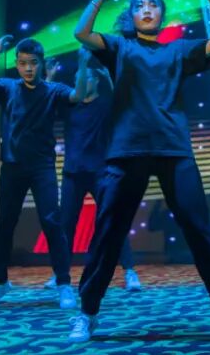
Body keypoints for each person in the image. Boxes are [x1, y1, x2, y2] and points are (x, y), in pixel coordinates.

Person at [69, 0, 210, 344]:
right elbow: (81, 33)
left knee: (200, 229)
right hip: (126, 151)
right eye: (139, 6)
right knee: (108, 233)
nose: (146, 10)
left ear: (162, 14)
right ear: (131, 16)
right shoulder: (120, 47)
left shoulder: (177, 50)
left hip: (173, 149)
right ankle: (87, 313)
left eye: (152, 5)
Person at [0, 36, 86, 310]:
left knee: (52, 222)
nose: (28, 68)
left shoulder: (52, 90)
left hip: (42, 167)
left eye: (33, 63)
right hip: (12, 166)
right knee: (5, 224)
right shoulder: (8, 87)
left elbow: (77, 96)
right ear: (16, 64)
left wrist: (84, 64)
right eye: (23, 63)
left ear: (41, 63)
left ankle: (63, 284)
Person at [44, 48, 142, 293]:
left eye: (85, 76)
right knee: (65, 225)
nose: (79, 80)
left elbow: (124, 101)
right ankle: (59, 274)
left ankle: (129, 271)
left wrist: (108, 76)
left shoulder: (105, 105)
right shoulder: (70, 106)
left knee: (113, 220)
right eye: (77, 77)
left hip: (100, 173)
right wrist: (49, 78)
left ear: (95, 81)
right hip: (72, 174)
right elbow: (45, 103)